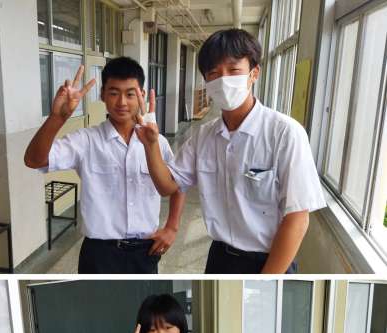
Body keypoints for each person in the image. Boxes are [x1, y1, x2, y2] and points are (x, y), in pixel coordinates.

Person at [135, 29, 327, 274]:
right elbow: (167, 186)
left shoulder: (285, 133)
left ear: (254, 73)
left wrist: (265, 282)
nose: (223, 80)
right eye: (213, 73)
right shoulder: (203, 136)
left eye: (233, 70)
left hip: (270, 261)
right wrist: (151, 145)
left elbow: (297, 219)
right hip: (220, 257)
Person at [24, 57, 185, 274]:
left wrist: (172, 227)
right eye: (114, 93)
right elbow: (34, 160)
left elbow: (179, 184)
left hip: (145, 252)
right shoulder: (86, 141)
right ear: (102, 95)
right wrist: (57, 118)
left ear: (141, 95)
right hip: (99, 254)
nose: (122, 102)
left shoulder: (158, 142)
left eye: (130, 94)